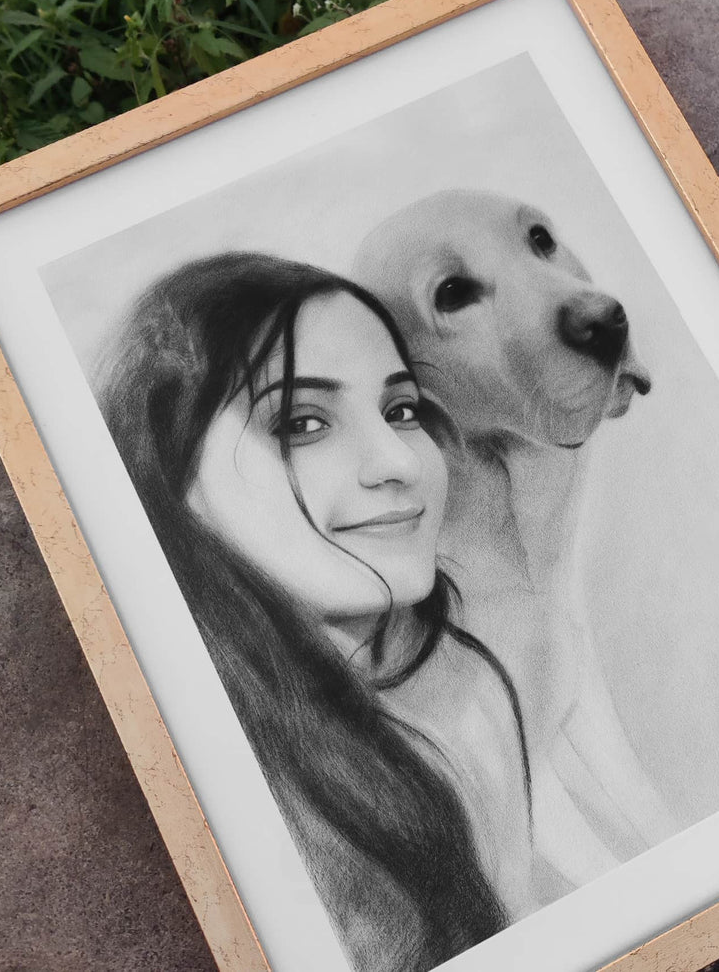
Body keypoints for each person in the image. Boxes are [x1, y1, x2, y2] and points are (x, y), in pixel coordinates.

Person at [96, 251, 531, 972]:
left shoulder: (464, 693)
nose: (396, 460)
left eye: (402, 409)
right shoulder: (211, 783)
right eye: (302, 423)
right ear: (166, 465)